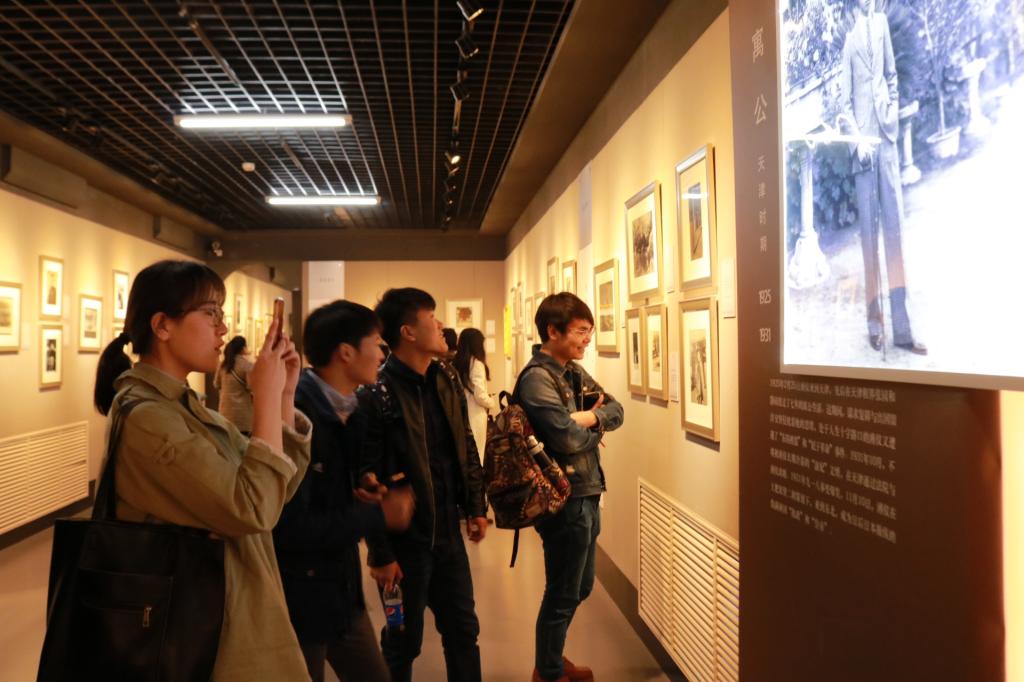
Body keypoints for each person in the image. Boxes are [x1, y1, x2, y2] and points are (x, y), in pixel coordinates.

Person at [92, 259, 312, 681]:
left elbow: (273, 492)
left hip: (233, 617)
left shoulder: (183, 407)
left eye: (222, 314)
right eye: (210, 313)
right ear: (162, 326)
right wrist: (265, 399)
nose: (223, 328)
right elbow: (252, 507)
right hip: (206, 642)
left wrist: (283, 396)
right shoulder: (148, 419)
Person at [274, 300, 415, 682]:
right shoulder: (296, 415)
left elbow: (330, 494)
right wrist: (377, 513)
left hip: (342, 593)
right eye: (376, 343)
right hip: (301, 599)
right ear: (346, 352)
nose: (382, 353)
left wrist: (359, 491)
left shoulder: (352, 409)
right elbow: (291, 526)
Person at [359, 287, 488, 682]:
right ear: (408, 332)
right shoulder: (377, 393)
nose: (441, 325)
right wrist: (380, 553)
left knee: (463, 631)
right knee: (403, 640)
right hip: (404, 546)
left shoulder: (446, 377)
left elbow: (465, 443)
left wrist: (476, 506)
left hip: (448, 535)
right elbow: (365, 478)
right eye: (432, 318)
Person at [515, 293, 624, 682]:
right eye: (580, 331)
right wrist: (590, 428)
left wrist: (586, 418)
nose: (587, 339)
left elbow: (616, 410)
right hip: (563, 496)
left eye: (589, 331)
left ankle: (552, 660)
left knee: (581, 585)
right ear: (553, 331)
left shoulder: (572, 371)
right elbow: (566, 439)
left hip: (587, 489)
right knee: (563, 590)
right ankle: (548, 670)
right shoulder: (536, 378)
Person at [839, 0, 927, 355]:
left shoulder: (882, 26)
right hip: (864, 152)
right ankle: (875, 326)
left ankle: (903, 331)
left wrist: (890, 112)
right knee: (869, 240)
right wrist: (858, 141)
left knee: (894, 234)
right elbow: (844, 104)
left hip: (887, 144)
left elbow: (891, 76)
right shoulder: (849, 40)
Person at [453, 327, 497, 464]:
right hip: (475, 415)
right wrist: (492, 402)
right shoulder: (476, 363)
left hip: (461, 413)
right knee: (478, 454)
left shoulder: (456, 362)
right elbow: (480, 395)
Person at [214, 335, 254, 435]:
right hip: (242, 415)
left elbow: (216, 384)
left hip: (225, 412)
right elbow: (251, 387)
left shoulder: (223, 365)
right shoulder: (247, 365)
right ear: (243, 348)